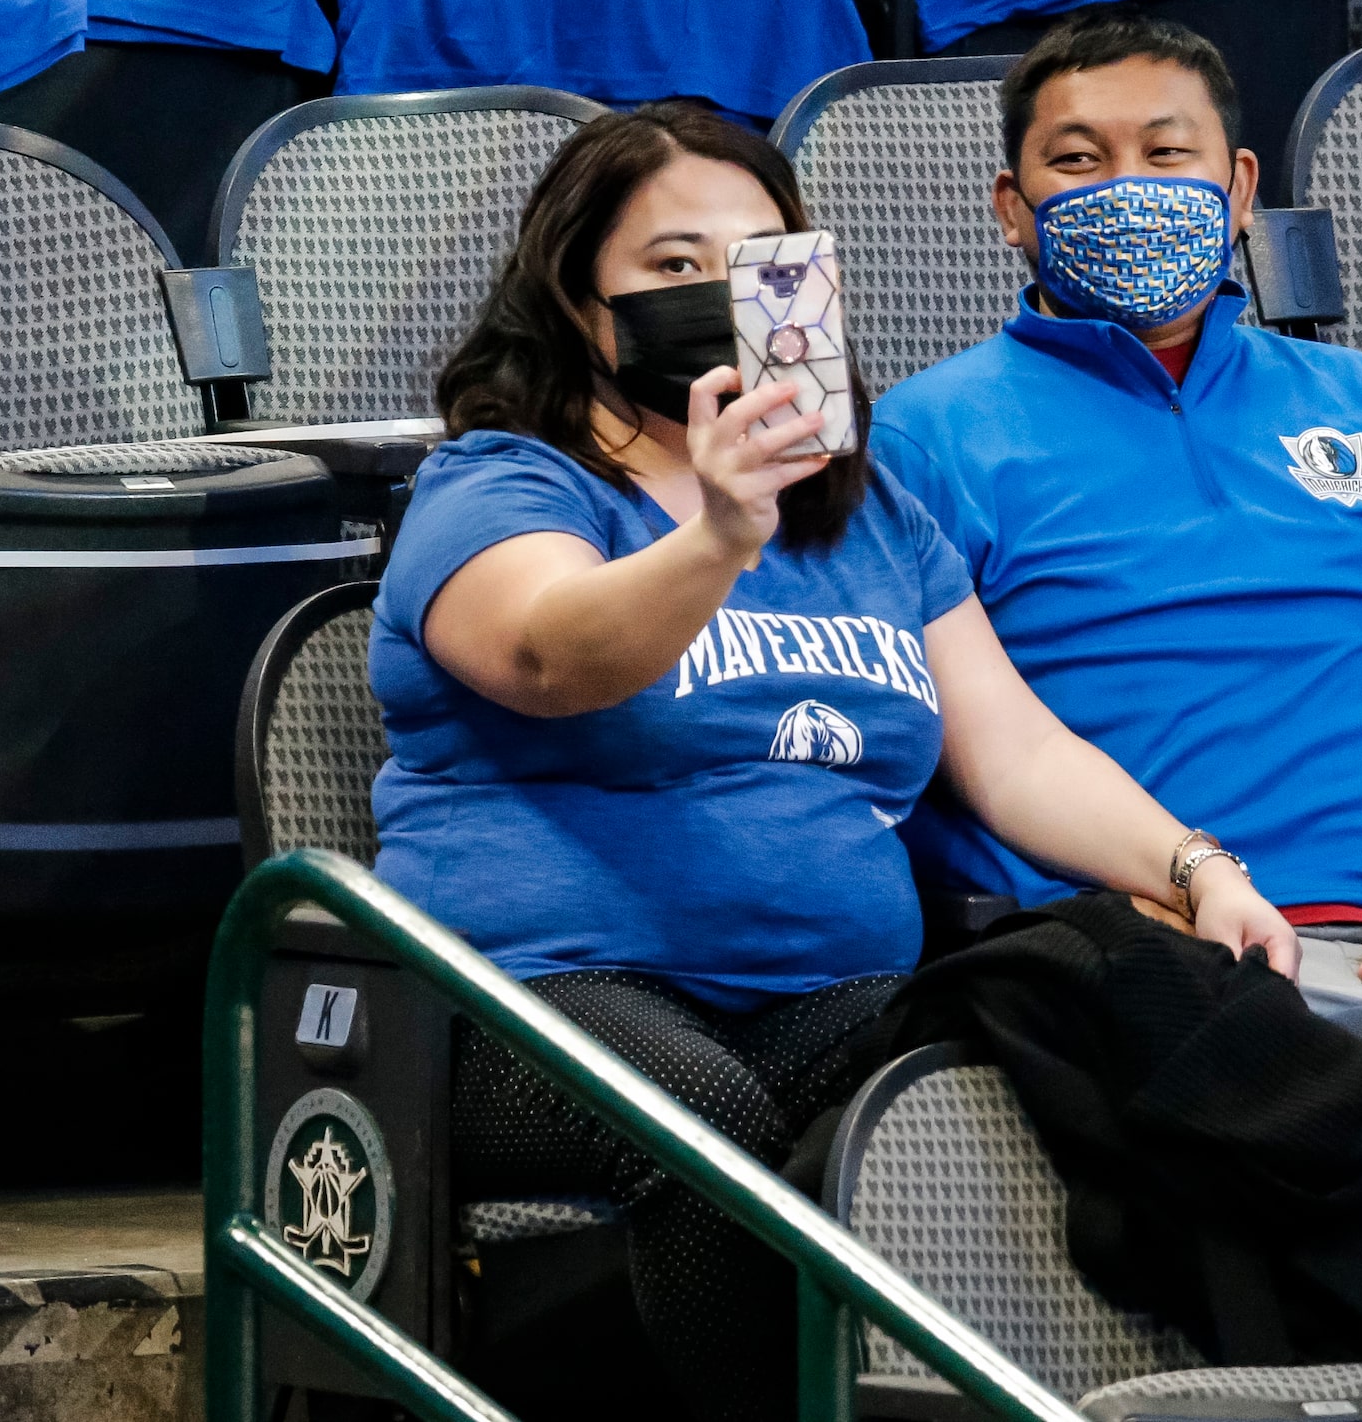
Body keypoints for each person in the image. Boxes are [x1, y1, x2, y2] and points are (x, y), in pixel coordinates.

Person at [367, 99, 1295, 1421]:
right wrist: (715, 538)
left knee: (1027, 1075)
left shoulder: (868, 512)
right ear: (581, 302)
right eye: (671, 264)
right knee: (703, 1125)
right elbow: (546, 652)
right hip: (521, 1000)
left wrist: (1199, 868)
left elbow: (1015, 750)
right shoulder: (507, 485)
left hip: (811, 992)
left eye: (753, 260)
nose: (715, 291)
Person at [875, 10, 1362, 997]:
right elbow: (922, 772)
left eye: (1167, 153)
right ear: (1011, 208)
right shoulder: (920, 437)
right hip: (1153, 957)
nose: (1129, 189)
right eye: (1078, 161)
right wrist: (1098, 914)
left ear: (1240, 189)